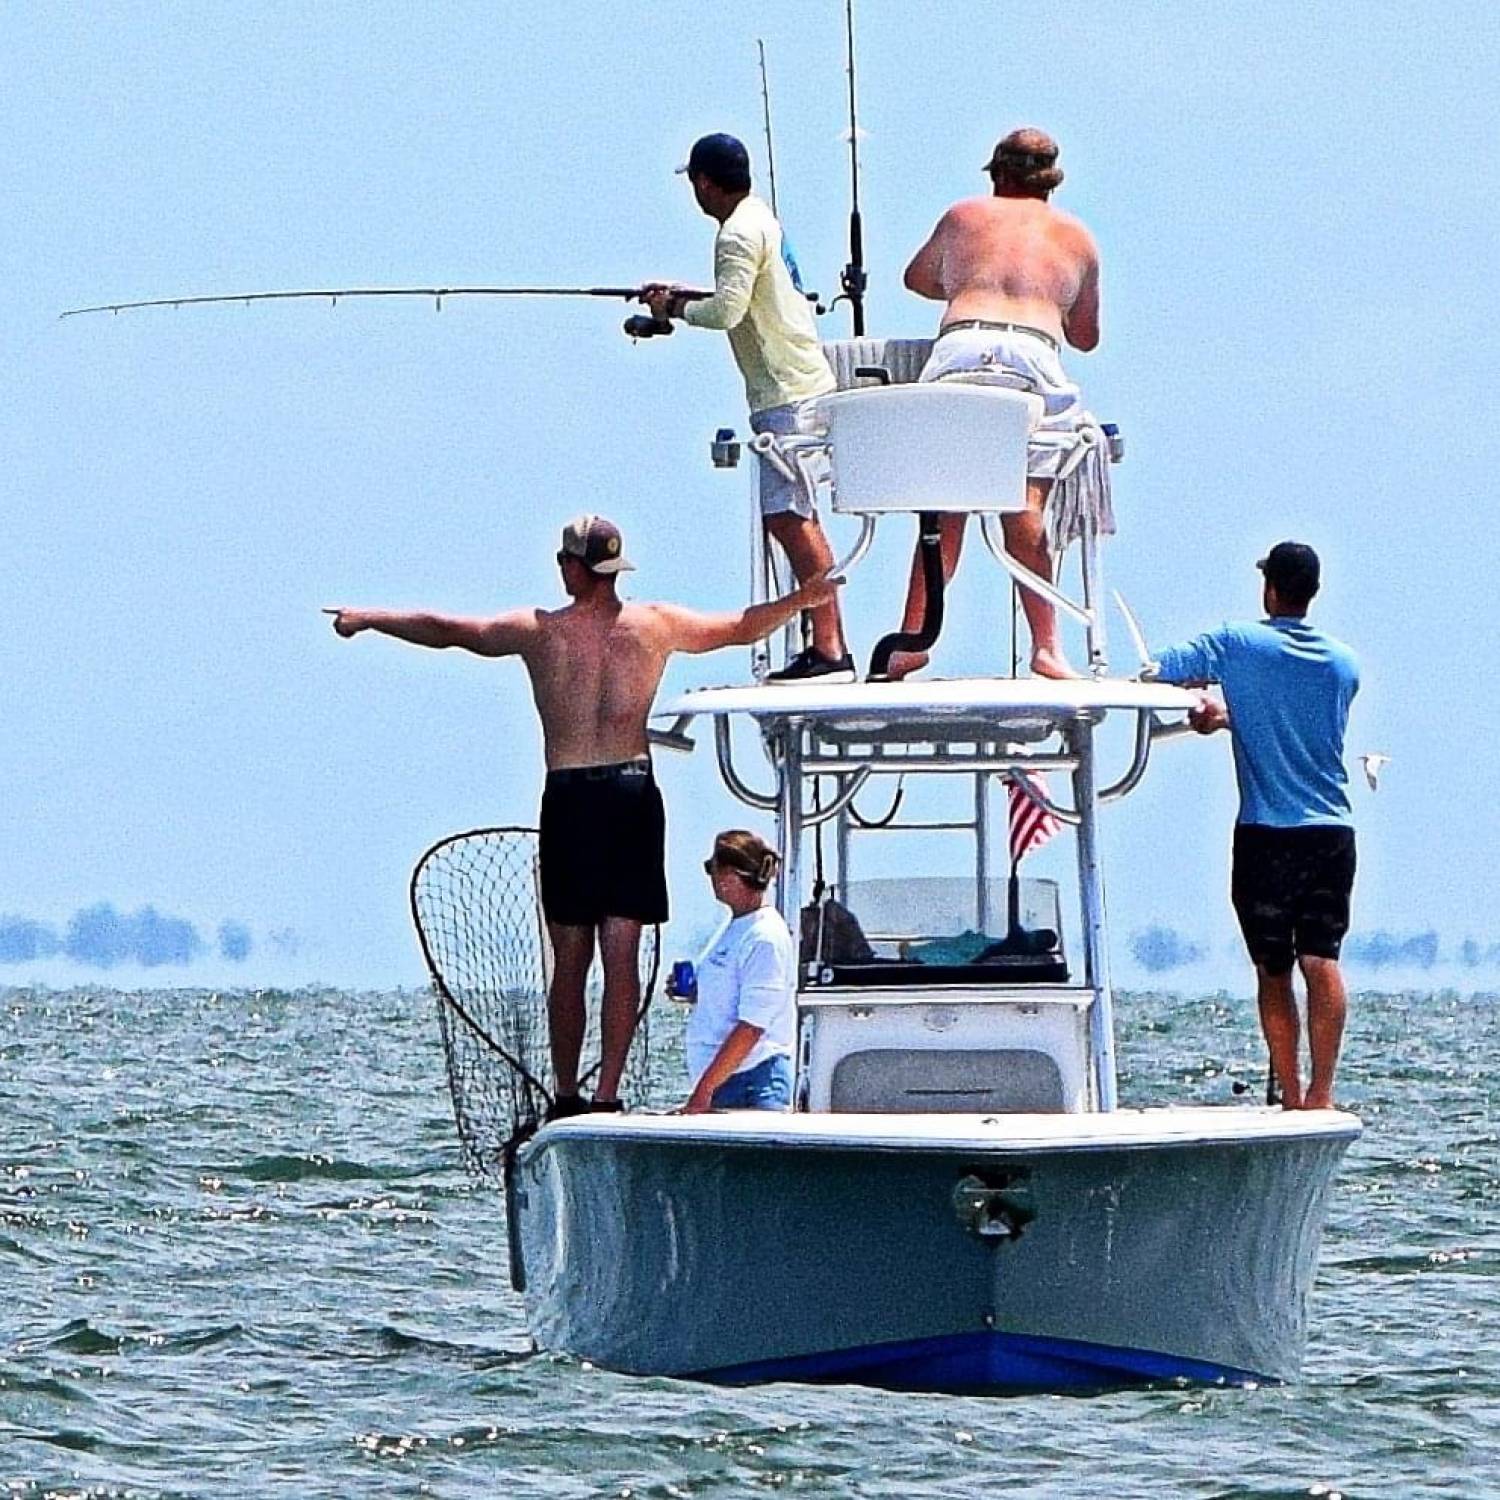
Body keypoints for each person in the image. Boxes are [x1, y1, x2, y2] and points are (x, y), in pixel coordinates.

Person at [329, 514, 838, 1118]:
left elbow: (451, 630)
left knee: (575, 958)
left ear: (574, 568)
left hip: (575, 796)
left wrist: (367, 619)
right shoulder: (653, 625)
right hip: (627, 791)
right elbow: (740, 628)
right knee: (612, 953)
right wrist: (804, 599)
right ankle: (599, 1093)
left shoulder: (542, 631)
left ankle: (573, 1093)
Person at [1150, 543, 1360, 1110]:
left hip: (1267, 833)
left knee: (1274, 969)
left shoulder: (1236, 643)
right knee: (1322, 959)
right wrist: (1230, 717)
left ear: (1270, 590)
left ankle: (1289, 1093)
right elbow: (1292, 718)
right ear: (1311, 592)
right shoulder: (1344, 664)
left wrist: (1210, 705)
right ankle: (1321, 1094)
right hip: (1332, 832)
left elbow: (1161, 667)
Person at [642, 132, 853, 683]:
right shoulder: (761, 218)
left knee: (789, 517)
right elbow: (742, 294)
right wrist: (679, 295)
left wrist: (676, 310)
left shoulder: (733, 235)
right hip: (803, 383)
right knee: (794, 515)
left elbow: (728, 313)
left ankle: (829, 648)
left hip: (784, 394)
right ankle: (827, 641)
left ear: (704, 183)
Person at [893, 127, 1103, 681]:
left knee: (947, 513)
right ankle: (1047, 647)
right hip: (1034, 354)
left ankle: (913, 639)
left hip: (961, 348)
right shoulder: (1078, 238)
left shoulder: (964, 215)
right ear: (1051, 184)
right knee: (1025, 508)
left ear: (997, 176)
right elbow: (1085, 335)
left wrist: (972, 276)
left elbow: (916, 279)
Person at [682, 830, 797, 1113]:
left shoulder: (764, 937)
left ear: (729, 877)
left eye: (711, 868)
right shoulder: (736, 927)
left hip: (752, 1082)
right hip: (727, 1080)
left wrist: (703, 1091)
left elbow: (752, 1026)